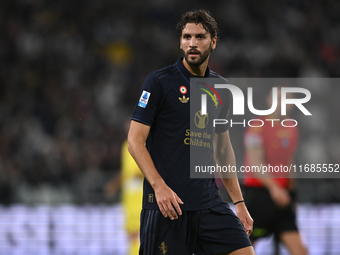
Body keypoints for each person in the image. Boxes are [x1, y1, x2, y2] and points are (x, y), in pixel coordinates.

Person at [128, 10, 255, 255]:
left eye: (200, 37)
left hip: (209, 204)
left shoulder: (222, 89)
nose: (192, 43)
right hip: (168, 206)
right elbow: (134, 140)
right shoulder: (159, 82)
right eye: (187, 37)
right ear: (180, 42)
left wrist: (239, 203)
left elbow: (222, 149)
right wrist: (160, 187)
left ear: (214, 42)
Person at [243, 87, 308, 255]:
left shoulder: (292, 128)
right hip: (259, 195)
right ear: (269, 101)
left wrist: (292, 195)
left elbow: (290, 162)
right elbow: (255, 163)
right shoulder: (256, 127)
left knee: (300, 250)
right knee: (246, 247)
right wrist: (274, 188)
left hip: (282, 198)